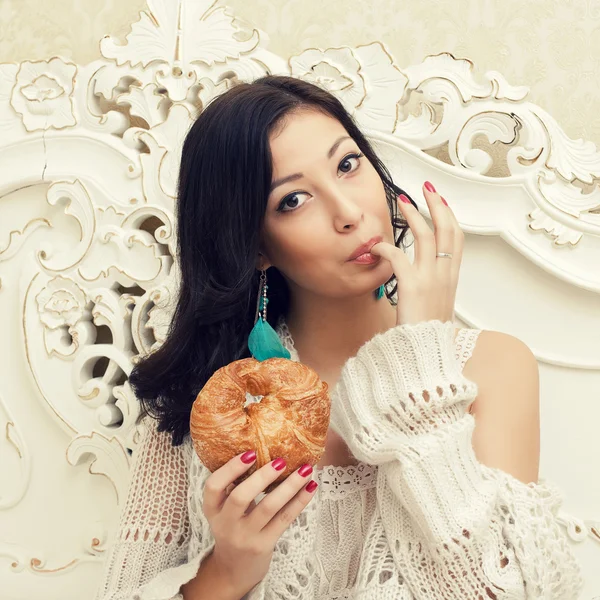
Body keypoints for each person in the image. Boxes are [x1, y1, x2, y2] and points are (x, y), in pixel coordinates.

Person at [94, 75, 583, 600]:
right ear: (254, 246)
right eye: (294, 200)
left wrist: (419, 368)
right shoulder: (205, 399)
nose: (350, 213)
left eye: (348, 165)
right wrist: (230, 568)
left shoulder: (492, 367)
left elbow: (507, 590)